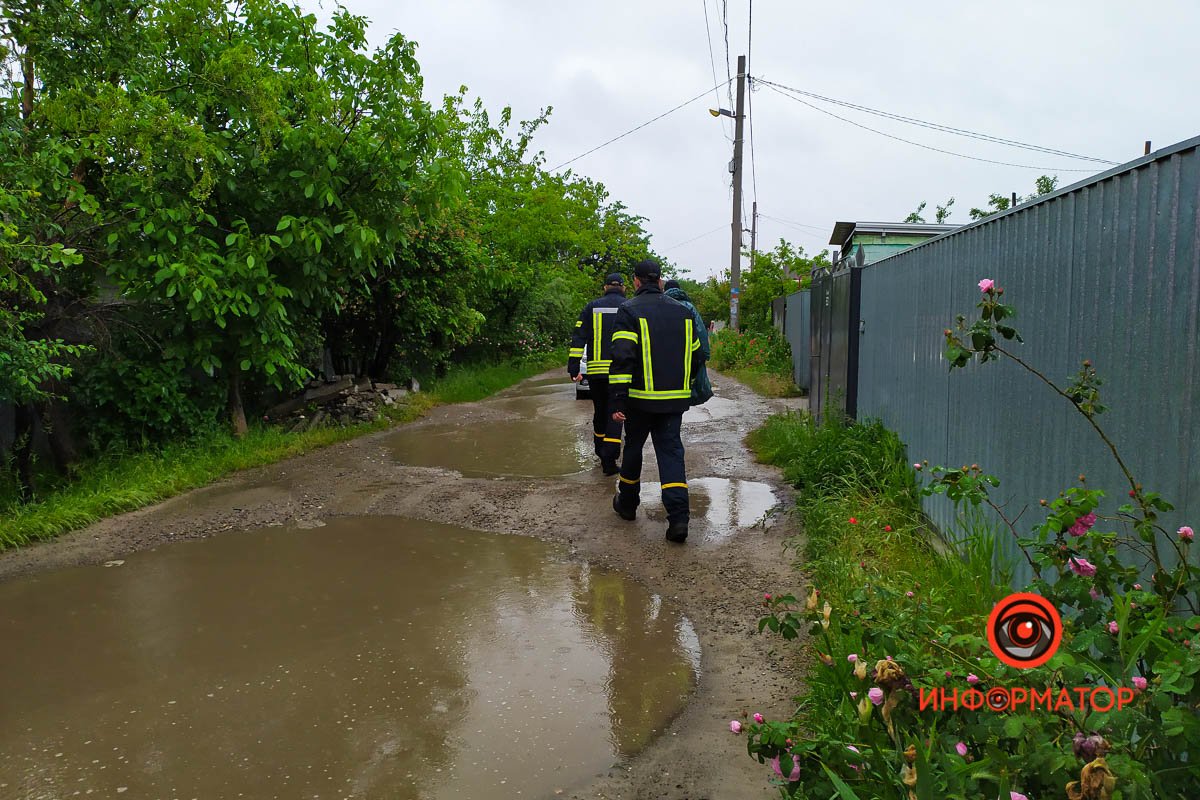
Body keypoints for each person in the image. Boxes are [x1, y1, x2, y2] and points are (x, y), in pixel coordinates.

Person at [608, 259, 703, 543]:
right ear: (660, 280)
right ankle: (678, 520)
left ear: (636, 281)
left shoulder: (629, 311)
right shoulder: (683, 313)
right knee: (671, 453)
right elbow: (698, 355)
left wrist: (618, 401)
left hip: (640, 401)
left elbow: (622, 358)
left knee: (634, 448)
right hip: (674, 401)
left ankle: (627, 505)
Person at [568, 273, 627, 475]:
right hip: (621, 374)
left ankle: (600, 451)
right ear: (623, 288)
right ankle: (609, 461)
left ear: (604, 288)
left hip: (596, 374)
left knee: (600, 412)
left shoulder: (591, 307)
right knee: (616, 414)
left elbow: (578, 338)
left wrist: (573, 366)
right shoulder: (630, 306)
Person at [663, 279, 712, 405]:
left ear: (665, 290)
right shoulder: (689, 307)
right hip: (687, 354)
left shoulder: (662, 305)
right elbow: (700, 330)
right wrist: (704, 354)